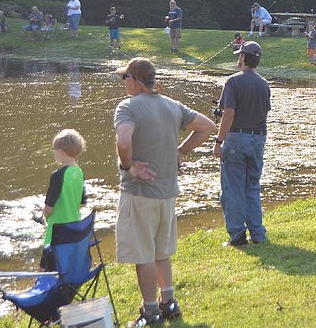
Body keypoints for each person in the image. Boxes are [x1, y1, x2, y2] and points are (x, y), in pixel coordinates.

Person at [114, 57, 216, 325]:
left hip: (139, 193)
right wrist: (181, 151)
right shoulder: (173, 105)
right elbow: (207, 126)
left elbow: (123, 141)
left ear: (134, 81)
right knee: (161, 251)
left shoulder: (128, 107)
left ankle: (150, 312)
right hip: (168, 192)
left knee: (143, 255)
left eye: (125, 78)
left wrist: (129, 167)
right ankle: (169, 302)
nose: (124, 83)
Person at [213, 41, 271, 247]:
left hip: (236, 139)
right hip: (258, 139)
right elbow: (263, 112)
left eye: (240, 55)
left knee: (233, 189)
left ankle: (237, 236)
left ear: (244, 58)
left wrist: (218, 141)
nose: (238, 58)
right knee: (252, 187)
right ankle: (258, 234)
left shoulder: (232, 82)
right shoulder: (264, 84)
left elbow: (229, 115)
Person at [39, 129, 87, 270]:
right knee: (65, 265)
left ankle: (41, 288)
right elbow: (82, 202)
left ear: (61, 152)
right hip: (73, 229)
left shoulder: (57, 175)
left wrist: (43, 216)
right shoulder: (79, 172)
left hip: (56, 231)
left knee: (44, 267)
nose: (53, 152)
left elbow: (49, 208)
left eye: (53, 149)